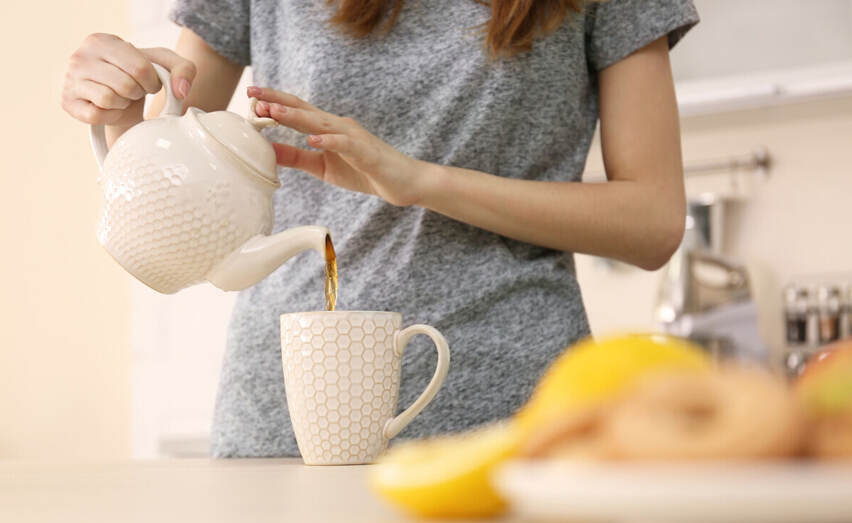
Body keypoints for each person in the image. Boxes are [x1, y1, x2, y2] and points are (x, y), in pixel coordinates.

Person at [62, 0, 699, 457]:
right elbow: (171, 154)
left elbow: (653, 221)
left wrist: (419, 180)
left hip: (513, 418)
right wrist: (119, 107)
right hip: (284, 413)